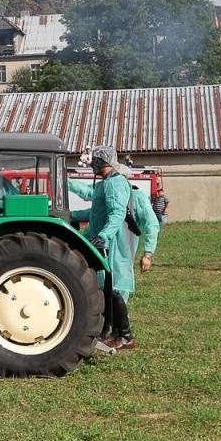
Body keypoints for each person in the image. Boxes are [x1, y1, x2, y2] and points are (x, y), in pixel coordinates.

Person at [69, 145, 142, 352]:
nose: (92, 165)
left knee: (115, 287)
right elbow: (96, 211)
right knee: (106, 289)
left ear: (103, 162)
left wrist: (103, 236)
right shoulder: (105, 184)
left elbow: (116, 213)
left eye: (95, 162)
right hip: (103, 238)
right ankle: (112, 333)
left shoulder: (115, 183)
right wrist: (72, 214)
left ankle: (125, 336)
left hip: (113, 241)